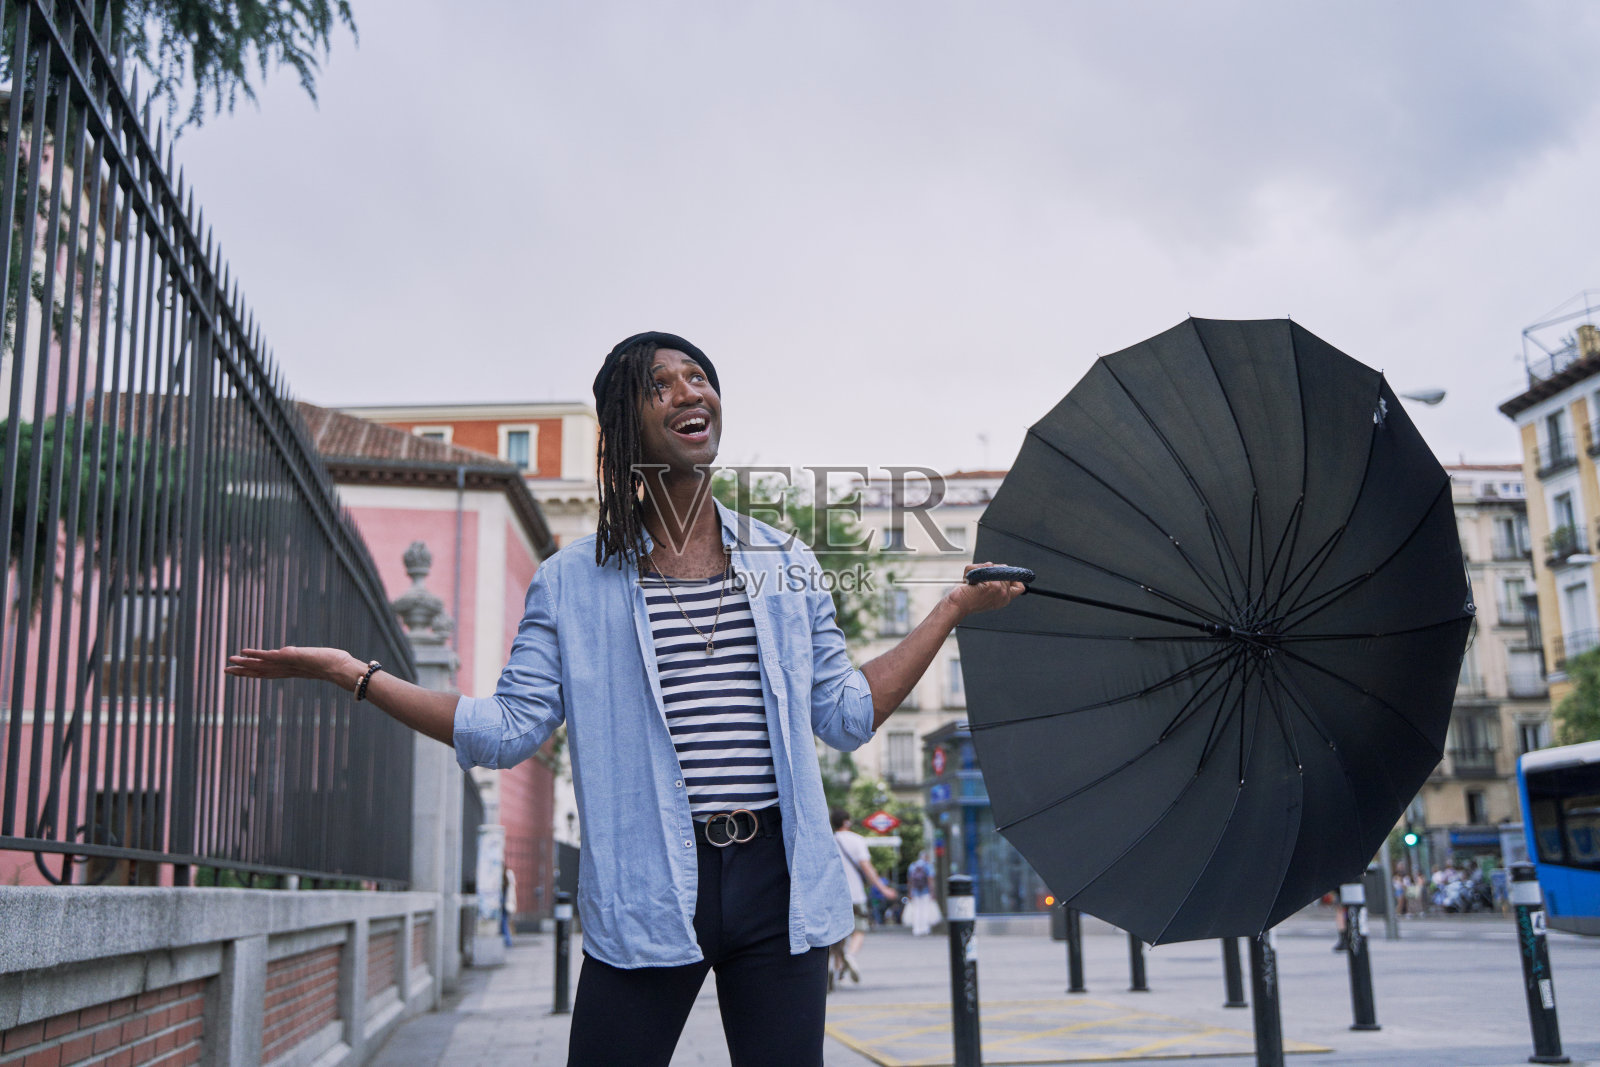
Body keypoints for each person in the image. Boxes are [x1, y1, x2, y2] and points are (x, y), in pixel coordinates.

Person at [225, 331, 1024, 1067]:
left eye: (699, 378)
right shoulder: (571, 581)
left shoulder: (785, 560)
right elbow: (506, 730)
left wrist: (948, 610)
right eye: (661, 385)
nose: (690, 393)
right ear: (624, 424)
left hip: (780, 884)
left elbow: (846, 715)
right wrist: (354, 675)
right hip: (647, 885)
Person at [830, 810, 894, 984]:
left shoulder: (829, 840)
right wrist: (883, 889)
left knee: (837, 936)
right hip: (856, 895)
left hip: (833, 895)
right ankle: (850, 956)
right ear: (847, 822)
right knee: (859, 929)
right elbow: (867, 868)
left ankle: (836, 969)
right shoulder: (857, 840)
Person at [903, 851, 940, 936]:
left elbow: (909, 880)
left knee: (916, 910)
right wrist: (932, 892)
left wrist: (910, 892)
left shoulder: (912, 866)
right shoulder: (928, 866)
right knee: (925, 910)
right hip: (925, 891)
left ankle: (916, 929)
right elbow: (930, 879)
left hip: (915, 891)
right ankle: (925, 928)